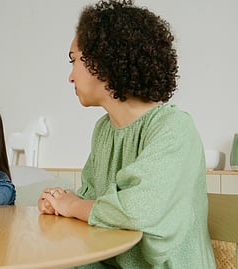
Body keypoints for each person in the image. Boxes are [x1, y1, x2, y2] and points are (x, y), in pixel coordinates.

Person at [38, 0, 215, 268]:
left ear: (105, 62)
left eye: (74, 61)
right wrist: (59, 204)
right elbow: (90, 198)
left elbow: (135, 210)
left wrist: (73, 207)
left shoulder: (174, 127)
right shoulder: (103, 130)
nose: (70, 77)